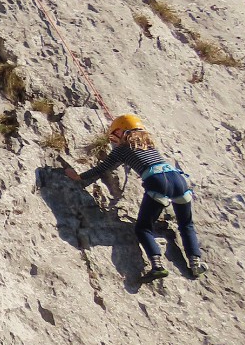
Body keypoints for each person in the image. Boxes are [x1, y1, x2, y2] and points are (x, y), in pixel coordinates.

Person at [64, 114, 207, 281]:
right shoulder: (150, 145)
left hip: (157, 181)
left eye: (114, 135)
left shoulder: (122, 150)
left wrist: (79, 176)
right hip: (178, 179)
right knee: (186, 224)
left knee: (143, 227)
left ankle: (157, 265)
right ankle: (195, 263)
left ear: (121, 132)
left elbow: (104, 167)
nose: (113, 140)